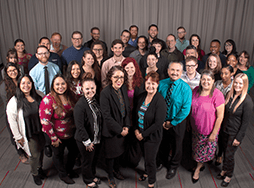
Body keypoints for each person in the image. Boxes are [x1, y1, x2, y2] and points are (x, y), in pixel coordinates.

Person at [6, 75, 46, 185]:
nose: (26, 85)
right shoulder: (14, 102)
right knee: (34, 155)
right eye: (23, 83)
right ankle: (35, 174)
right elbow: (12, 122)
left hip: (40, 130)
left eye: (28, 83)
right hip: (28, 133)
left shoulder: (39, 95)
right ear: (19, 85)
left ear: (32, 84)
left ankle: (40, 168)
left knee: (41, 150)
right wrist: (18, 137)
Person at [39, 74, 79, 184]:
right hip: (56, 135)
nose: (60, 86)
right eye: (57, 84)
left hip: (71, 132)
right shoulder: (48, 100)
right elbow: (45, 122)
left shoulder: (71, 95)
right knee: (58, 156)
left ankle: (69, 170)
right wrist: (53, 138)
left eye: (63, 83)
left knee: (74, 152)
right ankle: (63, 175)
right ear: (53, 86)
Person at [157, 62, 192, 180]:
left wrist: (172, 123)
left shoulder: (186, 88)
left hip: (177, 122)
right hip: (162, 120)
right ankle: (162, 161)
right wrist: (160, 120)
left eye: (178, 70)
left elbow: (185, 109)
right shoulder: (161, 84)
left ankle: (173, 165)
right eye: (172, 70)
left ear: (181, 72)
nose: (175, 73)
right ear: (168, 70)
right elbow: (156, 102)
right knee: (163, 142)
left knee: (177, 145)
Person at [217, 73, 253, 187]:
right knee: (223, 151)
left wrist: (239, 138)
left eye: (240, 83)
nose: (237, 85)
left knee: (229, 155)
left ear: (245, 85)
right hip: (224, 130)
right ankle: (224, 170)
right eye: (236, 82)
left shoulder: (247, 101)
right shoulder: (229, 94)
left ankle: (229, 175)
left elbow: (245, 123)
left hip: (235, 133)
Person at [190, 70, 225, 183]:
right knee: (197, 150)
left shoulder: (217, 95)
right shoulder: (195, 90)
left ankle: (198, 169)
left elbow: (220, 117)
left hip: (208, 130)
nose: (205, 82)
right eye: (203, 79)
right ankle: (200, 163)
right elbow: (191, 109)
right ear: (200, 80)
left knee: (202, 153)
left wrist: (214, 133)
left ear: (213, 81)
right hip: (195, 128)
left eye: (208, 79)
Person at [134, 71, 167, 188]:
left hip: (152, 137)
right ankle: (147, 173)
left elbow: (158, 124)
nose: (150, 86)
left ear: (157, 85)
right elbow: (136, 114)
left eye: (153, 84)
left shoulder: (160, 102)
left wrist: (143, 135)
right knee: (145, 157)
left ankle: (151, 182)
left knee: (150, 160)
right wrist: (136, 130)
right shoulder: (142, 96)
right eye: (148, 83)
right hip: (140, 133)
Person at [100, 66, 131, 188]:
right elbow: (106, 117)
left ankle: (116, 171)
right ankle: (110, 176)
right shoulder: (105, 93)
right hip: (111, 130)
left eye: (122, 77)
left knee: (119, 153)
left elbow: (127, 108)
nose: (119, 79)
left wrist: (127, 126)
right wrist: (120, 130)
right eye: (116, 77)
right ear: (110, 78)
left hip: (123, 127)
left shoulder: (123, 88)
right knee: (111, 155)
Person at [74, 73, 102, 188]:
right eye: (87, 89)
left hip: (95, 137)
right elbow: (80, 127)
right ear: (82, 89)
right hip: (85, 139)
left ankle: (92, 174)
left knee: (94, 159)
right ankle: (88, 180)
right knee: (87, 161)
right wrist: (87, 142)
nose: (90, 91)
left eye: (92, 88)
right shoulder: (80, 105)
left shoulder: (95, 100)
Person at [0, 63, 28, 163]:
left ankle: (26, 149)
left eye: (14, 70)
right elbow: (8, 104)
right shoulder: (4, 86)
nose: (13, 72)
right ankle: (20, 153)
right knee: (14, 133)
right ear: (6, 73)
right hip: (12, 113)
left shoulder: (22, 80)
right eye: (9, 71)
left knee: (23, 131)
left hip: (23, 110)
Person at [214, 65, 234, 166]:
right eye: (222, 73)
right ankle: (212, 152)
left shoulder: (234, 86)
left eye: (226, 73)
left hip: (227, 115)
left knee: (223, 136)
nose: (223, 76)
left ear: (232, 74)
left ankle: (220, 154)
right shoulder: (217, 83)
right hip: (215, 112)